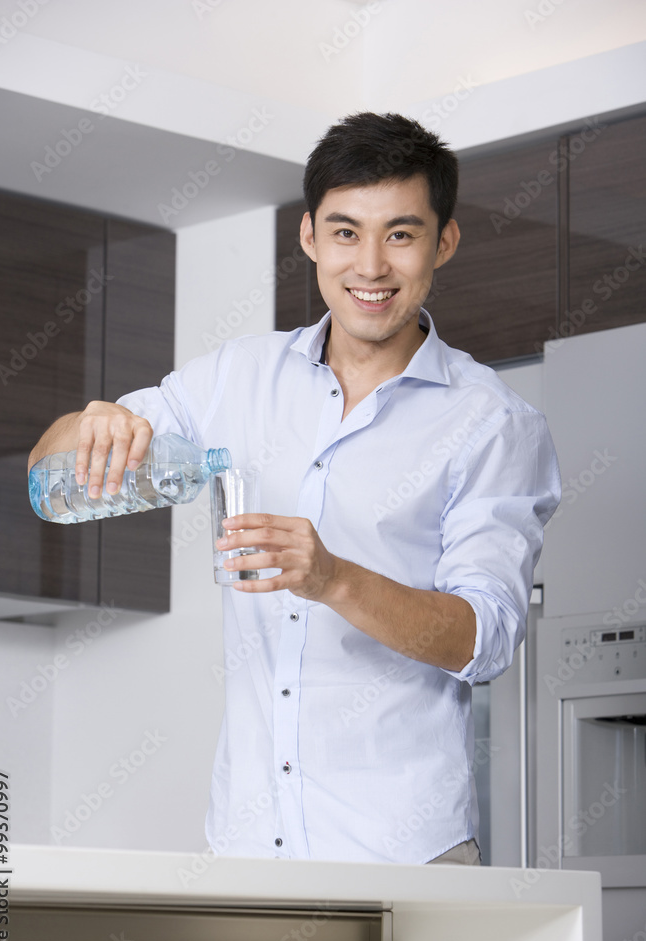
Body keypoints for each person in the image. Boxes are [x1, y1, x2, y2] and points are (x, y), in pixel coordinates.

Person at [29, 112, 561, 866]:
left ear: (442, 242)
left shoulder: (493, 423)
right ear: (309, 236)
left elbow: (484, 638)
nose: (370, 265)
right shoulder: (233, 378)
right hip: (246, 849)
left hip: (403, 855)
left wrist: (335, 579)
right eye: (345, 233)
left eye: (400, 235)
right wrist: (90, 423)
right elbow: (47, 469)